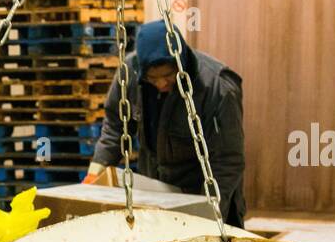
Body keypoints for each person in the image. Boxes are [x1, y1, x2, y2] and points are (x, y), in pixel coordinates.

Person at [87, 20, 247, 226]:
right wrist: (94, 175)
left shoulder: (217, 88)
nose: (161, 83)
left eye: (168, 76)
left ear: (180, 65)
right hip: (156, 193)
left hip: (203, 193)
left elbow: (227, 160)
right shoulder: (130, 75)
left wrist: (208, 216)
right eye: (153, 78)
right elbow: (116, 128)